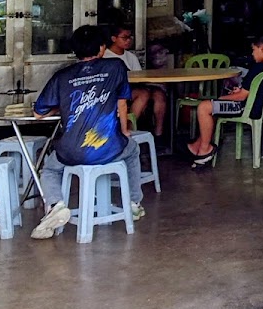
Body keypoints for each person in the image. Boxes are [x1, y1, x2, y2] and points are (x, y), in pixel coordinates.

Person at [31, 25, 145, 239]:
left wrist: (63, 106)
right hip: (108, 146)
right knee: (132, 151)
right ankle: (133, 203)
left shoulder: (62, 76)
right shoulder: (115, 66)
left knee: (50, 168)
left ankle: (55, 205)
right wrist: (124, 131)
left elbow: (38, 113)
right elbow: (122, 103)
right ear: (102, 47)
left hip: (70, 151)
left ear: (75, 50)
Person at [187, 37, 263, 168]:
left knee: (204, 107)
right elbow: (253, 89)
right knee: (213, 107)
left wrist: (220, 98)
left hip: (245, 107)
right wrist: (238, 92)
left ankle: (205, 150)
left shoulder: (258, 68)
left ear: (262, 48)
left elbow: (241, 97)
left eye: (254, 50)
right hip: (259, 107)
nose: (252, 54)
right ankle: (197, 145)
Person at [104, 23, 167, 137]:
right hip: (115, 92)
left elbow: (139, 77)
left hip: (133, 88)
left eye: (130, 37)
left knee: (159, 95)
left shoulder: (131, 57)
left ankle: (159, 133)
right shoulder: (106, 56)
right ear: (113, 38)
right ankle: (129, 129)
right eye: (125, 37)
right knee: (143, 94)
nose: (128, 40)